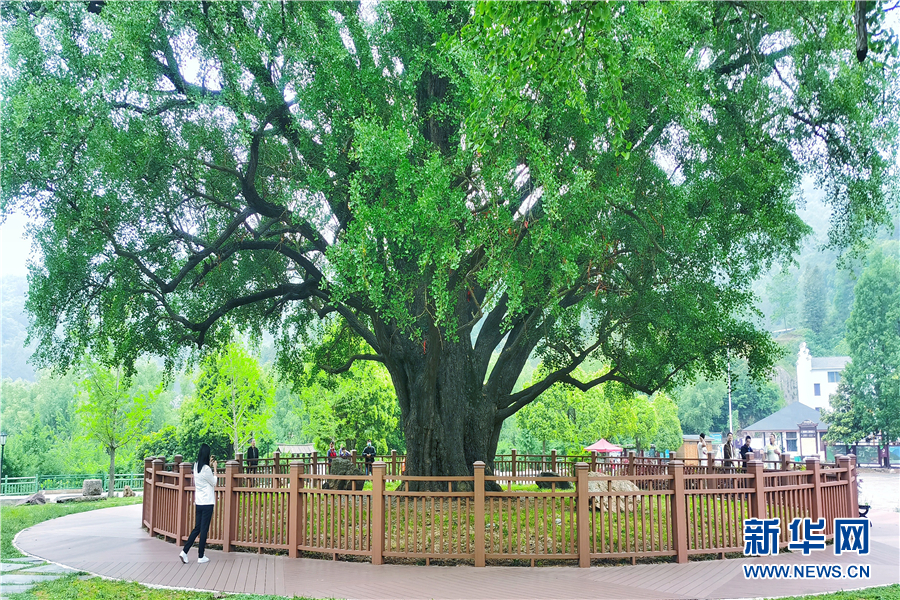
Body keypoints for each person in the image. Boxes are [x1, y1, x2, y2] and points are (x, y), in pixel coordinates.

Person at [180, 443, 217, 565]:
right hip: (207, 503)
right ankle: (201, 556)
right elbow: (214, 482)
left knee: (197, 528)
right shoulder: (207, 469)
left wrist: (210, 466)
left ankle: (185, 552)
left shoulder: (196, 466)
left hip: (199, 502)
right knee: (204, 529)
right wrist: (215, 468)